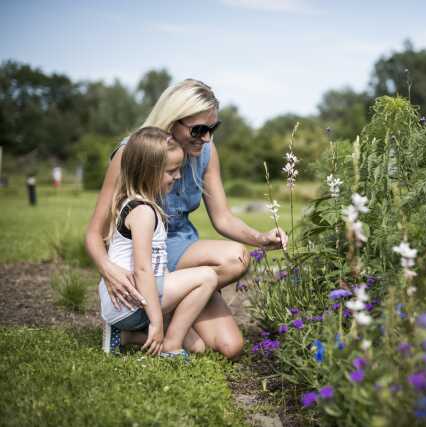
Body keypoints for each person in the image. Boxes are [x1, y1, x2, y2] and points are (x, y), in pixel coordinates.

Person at [86, 79, 288, 358]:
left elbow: (223, 218)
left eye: (212, 129)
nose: (206, 137)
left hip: (181, 249)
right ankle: (159, 317)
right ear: (173, 122)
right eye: (199, 129)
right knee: (208, 340)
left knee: (231, 346)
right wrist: (108, 269)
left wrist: (261, 239)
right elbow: (95, 233)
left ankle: (174, 303)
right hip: (143, 258)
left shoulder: (206, 151)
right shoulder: (131, 154)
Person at [100, 127, 218, 359]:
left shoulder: (140, 205)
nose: (178, 176)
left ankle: (124, 336)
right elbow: (143, 269)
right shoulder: (142, 212)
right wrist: (156, 321)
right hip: (130, 304)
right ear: (149, 172)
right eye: (172, 171)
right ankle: (170, 346)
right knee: (208, 277)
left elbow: (155, 264)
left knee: (198, 347)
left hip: (127, 304)